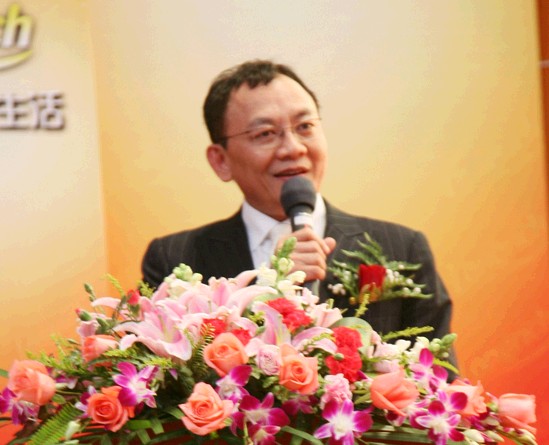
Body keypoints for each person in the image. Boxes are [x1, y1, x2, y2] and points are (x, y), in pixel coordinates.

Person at [142, 60, 453, 343]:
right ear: (221, 161)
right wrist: (271, 286)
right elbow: (165, 381)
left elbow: (438, 379)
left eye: (305, 127)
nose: (293, 148)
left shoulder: (402, 249)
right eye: (265, 134)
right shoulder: (173, 260)